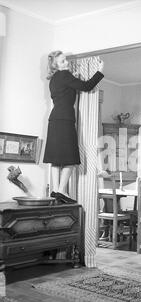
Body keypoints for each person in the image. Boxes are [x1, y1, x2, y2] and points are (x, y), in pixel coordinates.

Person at [43, 50, 104, 203]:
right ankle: (62, 191)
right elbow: (87, 86)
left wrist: (73, 76)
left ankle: (56, 190)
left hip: (54, 120)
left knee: (56, 159)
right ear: (56, 66)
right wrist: (100, 71)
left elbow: (68, 88)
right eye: (63, 61)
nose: (67, 63)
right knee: (70, 158)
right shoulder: (65, 76)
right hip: (65, 120)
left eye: (66, 60)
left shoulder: (54, 79)